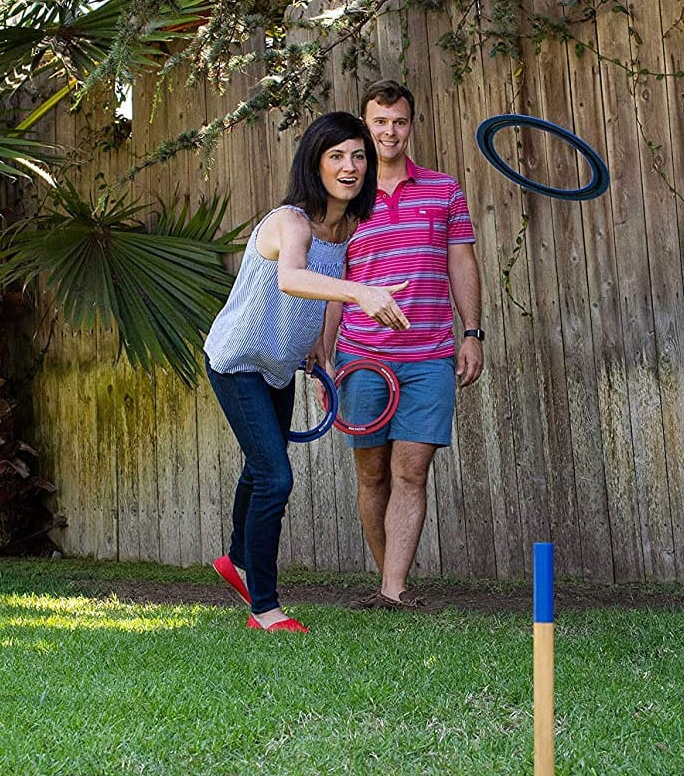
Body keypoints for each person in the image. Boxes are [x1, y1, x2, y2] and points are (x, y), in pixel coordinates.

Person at [204, 111, 410, 632]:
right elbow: (294, 278)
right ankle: (265, 609)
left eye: (359, 156)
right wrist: (362, 293)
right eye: (336, 156)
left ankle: (234, 559)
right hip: (238, 361)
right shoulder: (290, 221)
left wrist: (322, 348)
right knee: (275, 476)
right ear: (314, 164)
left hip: (280, 365)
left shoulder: (346, 227)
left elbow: (322, 290)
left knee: (259, 467)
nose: (351, 166)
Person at [325, 79, 484, 610]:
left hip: (430, 355)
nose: (389, 132)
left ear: (410, 126)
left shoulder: (444, 189)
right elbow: (330, 282)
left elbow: (461, 260)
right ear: (365, 127)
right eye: (379, 122)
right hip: (361, 357)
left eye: (399, 122)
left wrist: (472, 332)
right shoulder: (346, 196)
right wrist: (324, 354)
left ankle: (394, 590)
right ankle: (385, 579)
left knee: (411, 471)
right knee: (372, 475)